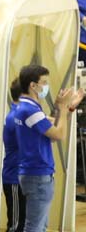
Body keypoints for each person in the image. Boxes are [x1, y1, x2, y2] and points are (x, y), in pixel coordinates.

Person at [13, 65, 84, 232]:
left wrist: (67, 107)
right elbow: (58, 134)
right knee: (35, 227)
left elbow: (51, 125)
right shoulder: (30, 110)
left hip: (32, 173)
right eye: (44, 82)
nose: (46, 86)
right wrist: (63, 107)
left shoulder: (24, 108)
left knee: (40, 226)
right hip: (38, 175)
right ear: (33, 85)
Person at [2, 79, 25, 232]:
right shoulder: (15, 117)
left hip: (22, 177)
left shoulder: (21, 114)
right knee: (16, 226)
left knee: (22, 224)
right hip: (14, 178)